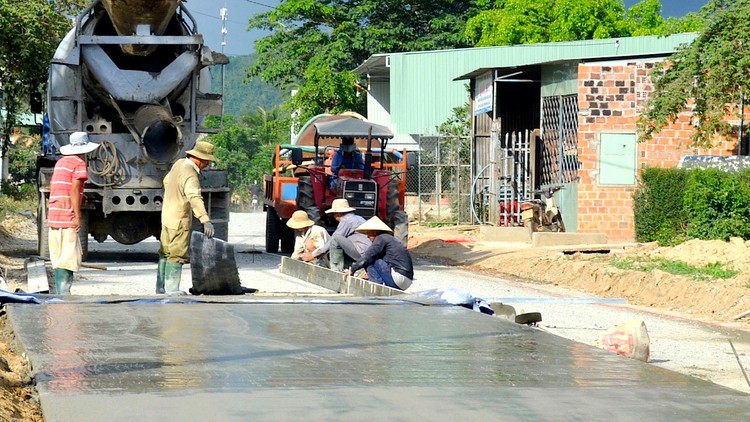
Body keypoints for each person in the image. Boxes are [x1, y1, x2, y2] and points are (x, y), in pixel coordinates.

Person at [157, 140, 218, 294]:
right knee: (177, 254)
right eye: (207, 162)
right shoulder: (190, 173)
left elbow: (166, 181)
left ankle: (161, 287)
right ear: (200, 159)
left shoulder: (179, 164)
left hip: (167, 216)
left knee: (165, 252)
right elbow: (195, 197)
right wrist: (205, 220)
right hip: (179, 219)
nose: (207, 165)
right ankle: (172, 290)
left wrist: (175, 194)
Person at [47, 131, 100, 295]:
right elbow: (75, 190)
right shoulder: (78, 164)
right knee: (69, 258)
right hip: (67, 213)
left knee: (59, 257)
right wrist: (77, 216)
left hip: (54, 214)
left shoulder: (61, 162)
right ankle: (64, 294)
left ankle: (59, 295)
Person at [345, 216, 414, 291]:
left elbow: (367, 257)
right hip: (407, 281)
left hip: (399, 278)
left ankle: (377, 288)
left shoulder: (381, 238)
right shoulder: (389, 239)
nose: (368, 237)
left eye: (369, 234)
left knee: (370, 260)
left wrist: (352, 270)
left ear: (375, 232)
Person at [305, 199, 371, 272]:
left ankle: (336, 270)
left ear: (338, 213)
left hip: (361, 251)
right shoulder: (358, 217)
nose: (333, 216)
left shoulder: (346, 220)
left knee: (336, 239)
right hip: (366, 251)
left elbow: (334, 239)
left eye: (333, 214)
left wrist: (314, 255)